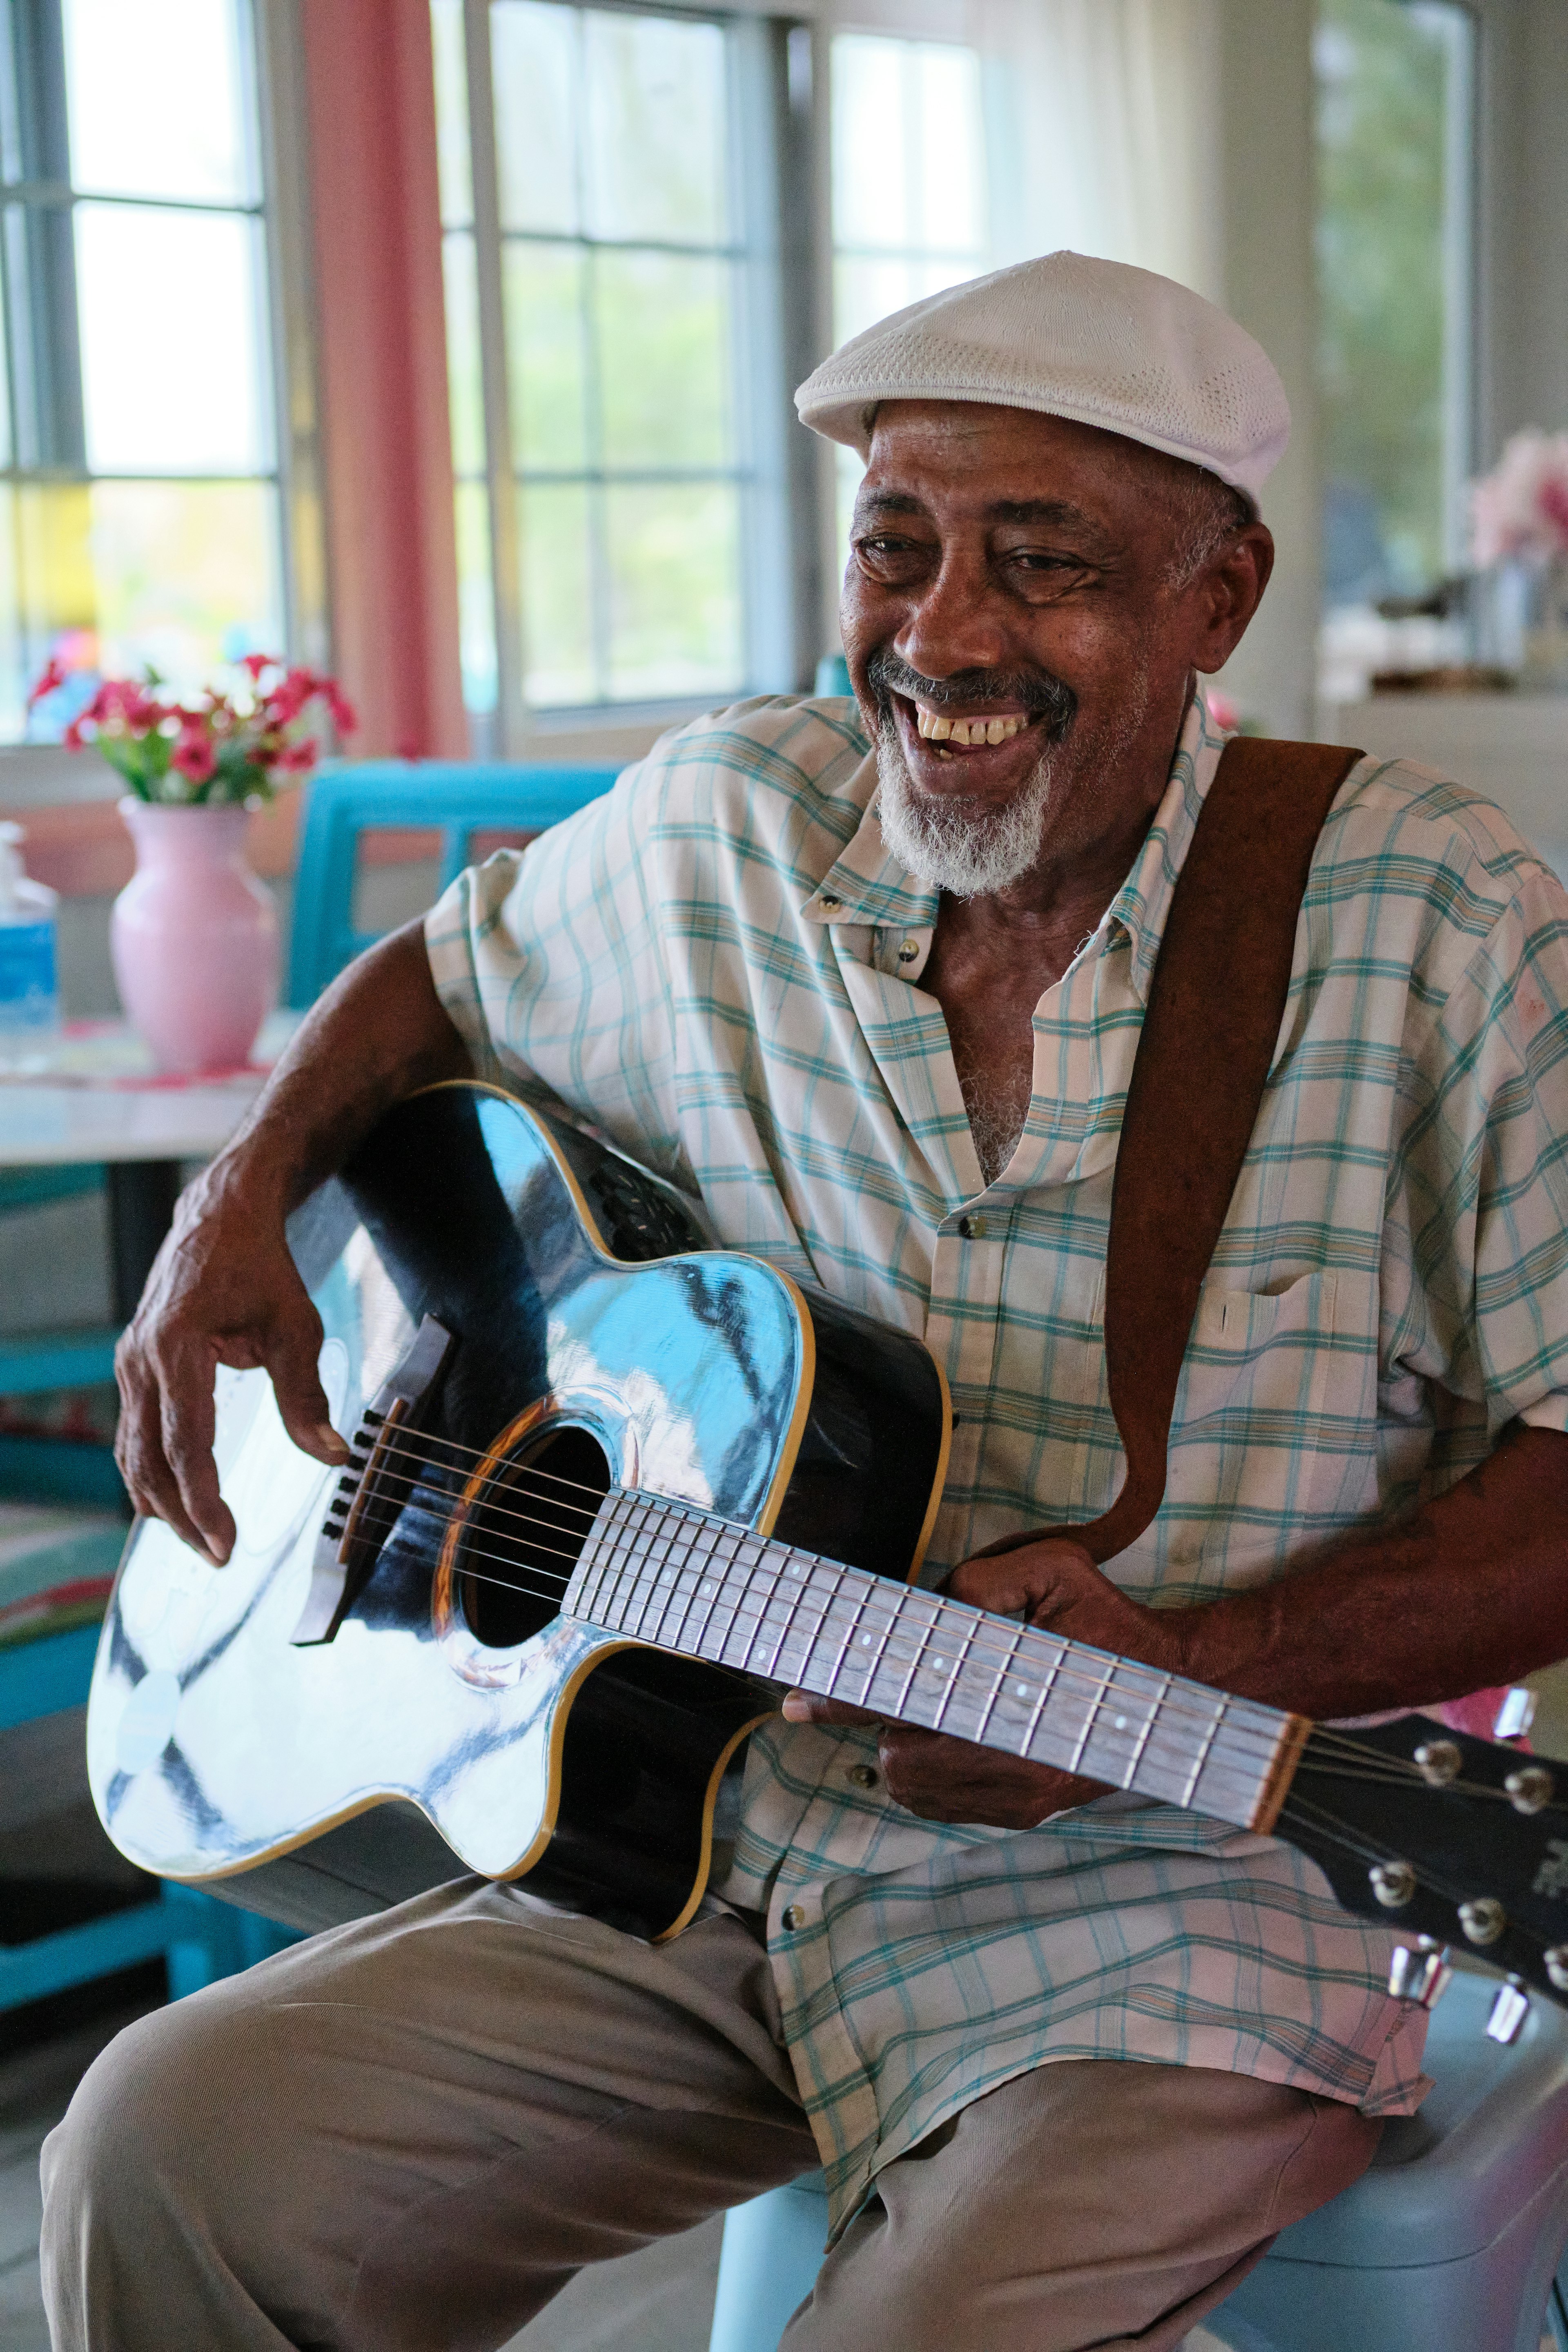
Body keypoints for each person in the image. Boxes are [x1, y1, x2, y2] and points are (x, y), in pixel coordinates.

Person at [41, 253, 1568, 2352]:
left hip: (1191, 1883)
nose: (940, 633)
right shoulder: (728, 823)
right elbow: (439, 977)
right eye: (897, 548)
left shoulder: (1429, 918)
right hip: (714, 1847)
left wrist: (1204, 1657)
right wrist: (248, 1181)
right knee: (162, 2148)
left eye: (1043, 565)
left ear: (1219, 604)